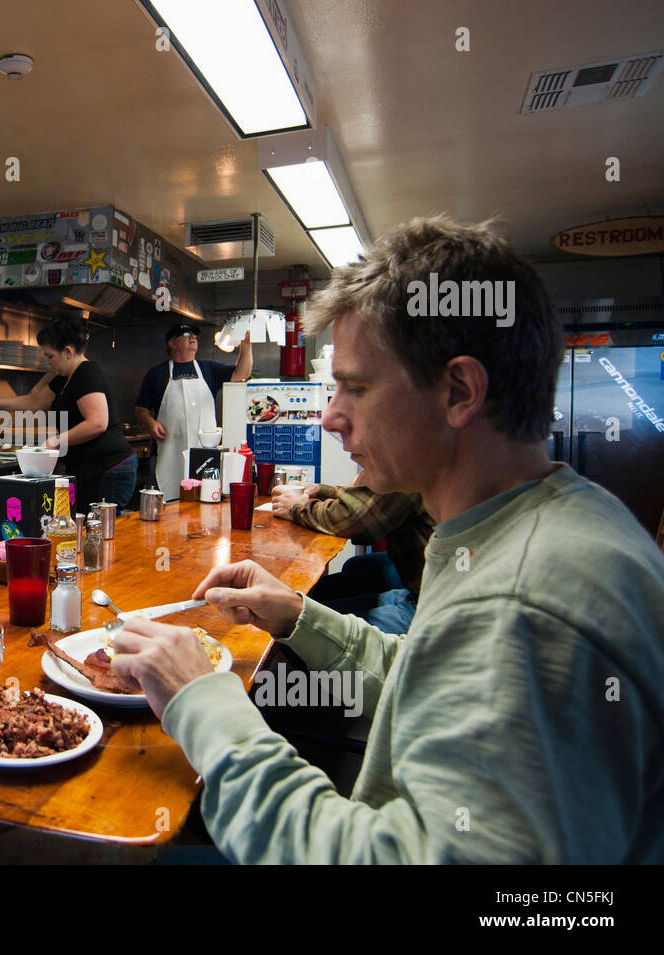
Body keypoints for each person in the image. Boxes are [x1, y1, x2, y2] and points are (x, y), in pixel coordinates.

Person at [111, 215, 664, 863]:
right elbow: (431, 678)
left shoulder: (522, 602)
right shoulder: (532, 521)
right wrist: (299, 616)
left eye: (357, 386)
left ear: (458, 391)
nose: (330, 415)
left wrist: (204, 706)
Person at [0, 317, 136, 508]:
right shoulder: (65, 377)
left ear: (67, 352)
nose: (47, 362)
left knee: (99, 531)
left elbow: (97, 422)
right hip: (91, 468)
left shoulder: (86, 373)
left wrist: (56, 440)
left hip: (108, 469)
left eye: (50, 356)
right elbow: (37, 401)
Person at [271, 477, 434, 633]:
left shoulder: (404, 465)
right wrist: (321, 490)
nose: (347, 449)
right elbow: (369, 498)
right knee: (333, 582)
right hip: (420, 587)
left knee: (297, 625)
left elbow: (357, 522)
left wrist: (298, 507)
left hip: (427, 610)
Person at [135, 322, 251, 500]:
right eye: (186, 334)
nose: (193, 337)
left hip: (205, 455)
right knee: (165, 507)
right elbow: (141, 409)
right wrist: (150, 423)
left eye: (194, 335)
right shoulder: (157, 374)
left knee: (202, 504)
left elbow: (240, 375)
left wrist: (246, 346)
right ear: (172, 343)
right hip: (167, 453)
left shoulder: (208, 369)